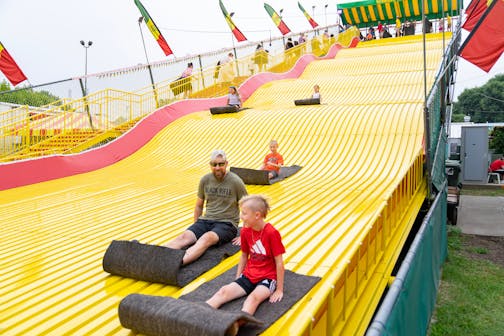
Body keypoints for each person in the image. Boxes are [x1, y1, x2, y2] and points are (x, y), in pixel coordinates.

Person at [206, 195, 285, 331]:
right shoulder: (245, 231)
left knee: (253, 298)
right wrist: (238, 277)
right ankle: (199, 313)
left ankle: (234, 327)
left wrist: (279, 289)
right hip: (249, 275)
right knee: (223, 291)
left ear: (257, 215)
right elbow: (244, 255)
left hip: (267, 278)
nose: (241, 217)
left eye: (244, 213)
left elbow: (279, 263)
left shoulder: (272, 233)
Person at [165, 150, 248, 265]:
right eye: (214, 164)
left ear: (226, 164)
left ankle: (175, 263)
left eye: (221, 164)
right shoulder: (205, 180)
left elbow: (247, 208)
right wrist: (195, 226)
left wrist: (244, 234)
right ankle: (156, 256)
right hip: (206, 220)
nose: (217, 167)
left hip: (227, 224)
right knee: (185, 236)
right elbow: (199, 205)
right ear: (210, 165)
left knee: (206, 238)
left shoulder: (236, 182)